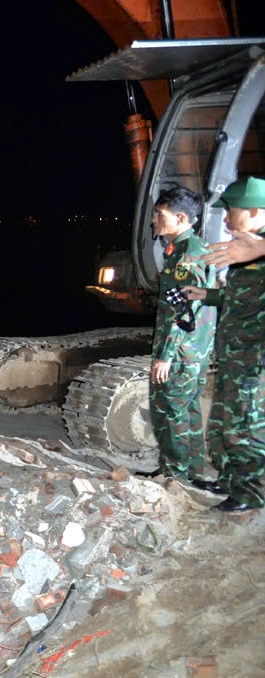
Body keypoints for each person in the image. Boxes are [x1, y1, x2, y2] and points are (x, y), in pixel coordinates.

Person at [181, 176, 265, 513]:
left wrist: (261, 247)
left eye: (232, 211)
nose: (226, 219)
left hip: (255, 360)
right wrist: (208, 294)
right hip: (234, 354)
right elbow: (242, 296)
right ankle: (231, 479)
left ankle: (253, 492)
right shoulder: (242, 250)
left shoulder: (256, 248)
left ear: (256, 211)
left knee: (247, 425)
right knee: (223, 423)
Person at [146, 185, 219, 485]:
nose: (154, 220)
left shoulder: (186, 256)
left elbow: (184, 312)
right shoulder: (192, 248)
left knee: (171, 410)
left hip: (181, 351)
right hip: (194, 349)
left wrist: (165, 356)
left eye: (159, 215)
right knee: (187, 408)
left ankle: (174, 475)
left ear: (180, 218)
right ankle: (192, 471)